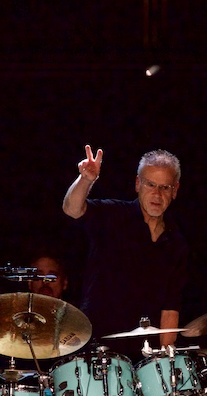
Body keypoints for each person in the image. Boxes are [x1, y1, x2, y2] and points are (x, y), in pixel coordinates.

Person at [62, 145, 188, 350]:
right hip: (97, 348)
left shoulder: (176, 243)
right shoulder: (113, 215)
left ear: (175, 190)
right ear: (138, 184)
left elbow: (170, 309)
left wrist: (167, 363)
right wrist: (86, 179)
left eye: (165, 187)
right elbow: (72, 209)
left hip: (144, 355)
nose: (157, 194)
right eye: (150, 185)